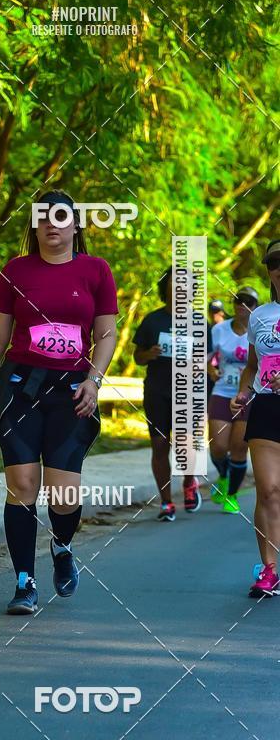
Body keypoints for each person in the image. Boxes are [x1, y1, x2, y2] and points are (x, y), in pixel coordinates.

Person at [0, 190, 118, 614]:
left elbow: (105, 335)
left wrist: (94, 381)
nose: (52, 225)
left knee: (63, 496)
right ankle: (24, 581)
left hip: (72, 392)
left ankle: (63, 545)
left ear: (76, 225)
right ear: (34, 226)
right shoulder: (15, 271)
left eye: (61, 217)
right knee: (23, 484)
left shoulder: (96, 271)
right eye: (43, 219)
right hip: (19, 388)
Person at [133, 267, 211, 521]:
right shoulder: (152, 320)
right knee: (159, 445)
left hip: (187, 391)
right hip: (157, 391)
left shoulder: (199, 322)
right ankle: (166, 502)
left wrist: (196, 365)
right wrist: (150, 353)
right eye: (174, 283)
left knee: (184, 444)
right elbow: (138, 357)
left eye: (186, 284)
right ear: (165, 288)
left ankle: (189, 481)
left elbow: (207, 362)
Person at [230, 239, 280, 597]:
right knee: (269, 490)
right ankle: (270, 569)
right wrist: (244, 392)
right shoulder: (260, 315)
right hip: (266, 406)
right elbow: (251, 366)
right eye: (274, 260)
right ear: (268, 268)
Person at [208, 286, 258, 513]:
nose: (242, 304)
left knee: (239, 447)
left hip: (248, 394)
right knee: (218, 447)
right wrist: (211, 370)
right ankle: (223, 475)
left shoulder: (261, 330)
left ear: (255, 306)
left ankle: (232, 496)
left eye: (248, 301)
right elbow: (205, 358)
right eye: (238, 300)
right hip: (222, 391)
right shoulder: (219, 329)